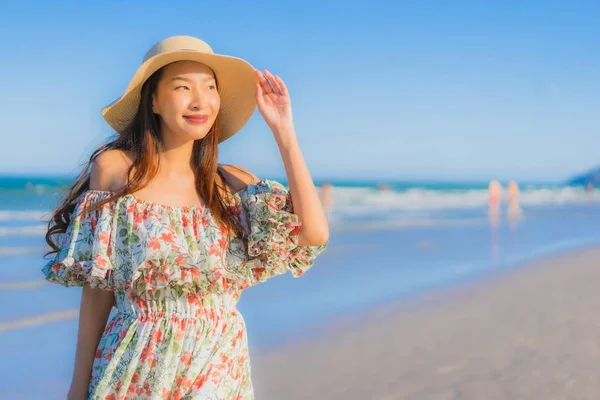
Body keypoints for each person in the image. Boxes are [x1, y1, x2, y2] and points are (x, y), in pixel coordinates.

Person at [42, 36, 329, 399]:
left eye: (210, 87)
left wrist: (284, 132)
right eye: (183, 87)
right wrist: (78, 386)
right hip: (137, 360)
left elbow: (313, 234)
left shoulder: (232, 183)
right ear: (154, 100)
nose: (200, 100)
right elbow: (99, 288)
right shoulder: (116, 170)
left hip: (219, 363)